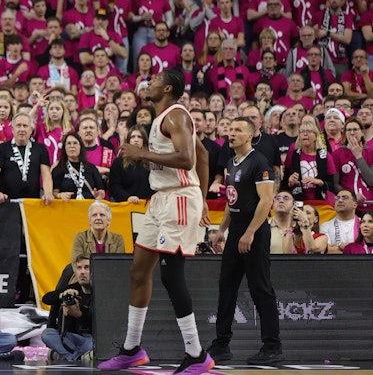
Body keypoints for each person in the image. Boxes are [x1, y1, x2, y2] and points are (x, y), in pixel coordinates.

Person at [100, 69, 212, 374]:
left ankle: (196, 353)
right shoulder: (163, 118)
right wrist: (144, 157)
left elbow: (187, 159)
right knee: (138, 271)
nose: (149, 81)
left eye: (155, 79)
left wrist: (142, 152)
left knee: (171, 275)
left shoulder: (176, 116)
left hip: (177, 199)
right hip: (160, 199)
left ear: (167, 88)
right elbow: (202, 157)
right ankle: (131, 349)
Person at [207, 117, 281, 365]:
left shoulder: (259, 162)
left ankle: (272, 346)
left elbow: (266, 201)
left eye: (238, 130)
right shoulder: (231, 162)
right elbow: (231, 200)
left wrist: (249, 233)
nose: (231, 133)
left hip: (255, 231)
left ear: (250, 136)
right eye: (230, 128)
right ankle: (221, 345)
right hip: (236, 229)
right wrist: (221, 230)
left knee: (260, 287)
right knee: (226, 286)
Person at [41, 255, 94, 363]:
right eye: (79, 268)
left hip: (93, 339)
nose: (82, 272)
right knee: (47, 334)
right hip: (74, 338)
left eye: (87, 268)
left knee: (92, 345)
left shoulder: (101, 291)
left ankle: (66, 354)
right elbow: (46, 298)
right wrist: (62, 295)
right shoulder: (73, 288)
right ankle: (79, 357)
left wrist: (79, 314)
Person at [0, 110, 52, 202]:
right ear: (13, 129)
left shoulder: (40, 148)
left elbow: (46, 174)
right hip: (7, 203)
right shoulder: (1, 148)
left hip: (33, 203)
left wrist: (48, 193)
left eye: (25, 126)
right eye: (18, 125)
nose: (22, 129)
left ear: (31, 129)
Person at [70, 201, 125, 267]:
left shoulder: (118, 239)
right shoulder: (80, 237)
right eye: (94, 215)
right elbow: (76, 264)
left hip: (111, 276)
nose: (98, 218)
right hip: (85, 276)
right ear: (90, 221)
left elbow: (119, 265)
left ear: (108, 220)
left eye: (102, 215)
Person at [321, 189, 360, 253]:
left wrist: (339, 248)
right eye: (337, 198)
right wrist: (354, 251)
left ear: (355, 205)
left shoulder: (364, 223)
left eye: (344, 198)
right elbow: (327, 250)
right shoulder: (325, 226)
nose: (340, 200)